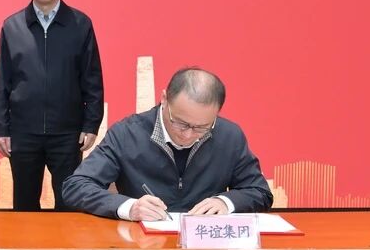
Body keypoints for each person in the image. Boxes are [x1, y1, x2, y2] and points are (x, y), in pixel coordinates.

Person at [60, 67, 272, 220]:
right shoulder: (127, 133)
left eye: (201, 127)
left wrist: (225, 202)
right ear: (164, 99)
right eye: (180, 123)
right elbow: (76, 186)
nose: (188, 135)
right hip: (142, 247)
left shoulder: (229, 136)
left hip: (206, 248)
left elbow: (259, 192)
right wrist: (129, 207)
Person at [0, 0, 104, 210]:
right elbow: (3, 81)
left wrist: (91, 124)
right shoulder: (13, 26)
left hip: (67, 133)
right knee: (24, 207)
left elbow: (92, 78)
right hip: (23, 132)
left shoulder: (80, 24)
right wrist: (2, 128)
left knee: (69, 204)